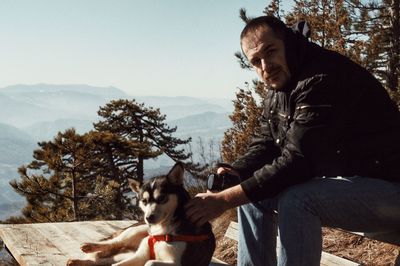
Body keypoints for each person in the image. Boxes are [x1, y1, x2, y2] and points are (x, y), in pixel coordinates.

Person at [185, 15, 400, 266]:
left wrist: (223, 200)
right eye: (256, 61)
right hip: (357, 183)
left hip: (391, 188)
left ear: (287, 42)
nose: (265, 66)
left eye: (271, 51)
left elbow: (298, 162)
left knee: (298, 200)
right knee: (253, 195)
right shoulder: (283, 84)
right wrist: (236, 170)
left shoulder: (321, 78)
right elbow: (266, 142)